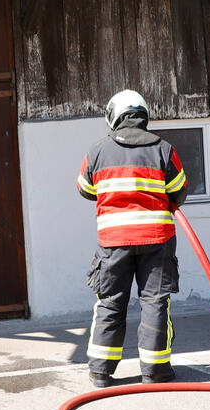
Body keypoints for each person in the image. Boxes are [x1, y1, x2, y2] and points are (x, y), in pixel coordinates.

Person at [76, 91, 188, 388]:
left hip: (113, 241)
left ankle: (100, 372)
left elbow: (85, 189)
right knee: (154, 302)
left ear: (114, 115)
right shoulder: (164, 149)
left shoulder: (97, 150)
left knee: (111, 301)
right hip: (157, 239)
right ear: (143, 114)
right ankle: (155, 371)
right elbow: (179, 191)